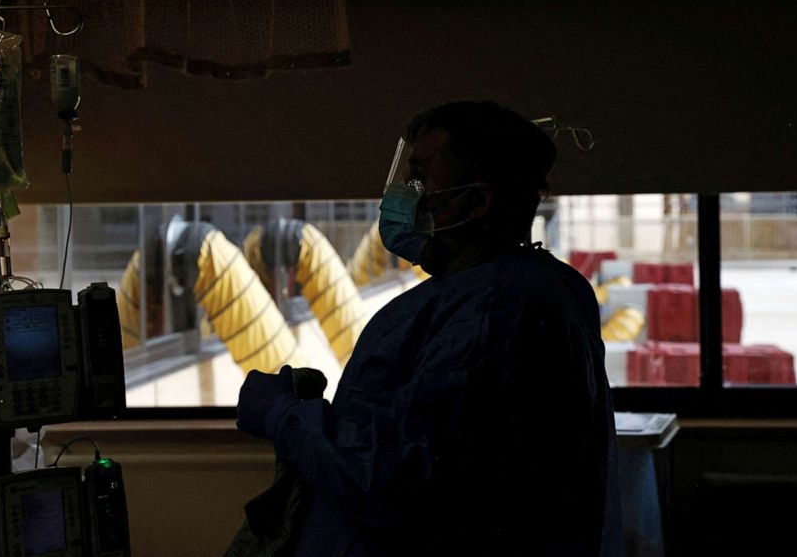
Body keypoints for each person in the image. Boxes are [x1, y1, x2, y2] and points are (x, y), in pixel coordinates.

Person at [236, 100, 624, 557]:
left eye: (419, 178)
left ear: (475, 202)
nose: (402, 192)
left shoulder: (495, 312)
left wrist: (287, 417)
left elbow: (406, 484)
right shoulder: (524, 289)